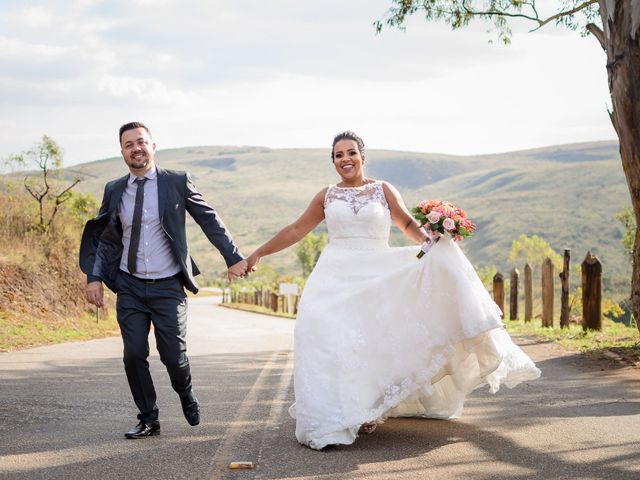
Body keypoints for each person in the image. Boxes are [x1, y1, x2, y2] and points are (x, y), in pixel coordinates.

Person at [245, 131, 540, 450]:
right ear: (333, 161)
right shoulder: (326, 196)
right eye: (338, 155)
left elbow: (408, 225)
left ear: (362, 156)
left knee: (372, 341)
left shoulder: (382, 189)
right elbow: (296, 229)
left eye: (351, 152)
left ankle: (367, 407)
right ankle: (332, 412)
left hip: (377, 273)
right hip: (333, 275)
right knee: (317, 332)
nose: (345, 159)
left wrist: (436, 240)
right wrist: (258, 252)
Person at [79, 122, 247, 439]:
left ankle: (185, 393)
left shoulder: (176, 182)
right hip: (129, 285)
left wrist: (233, 256)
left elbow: (208, 218)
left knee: (173, 355)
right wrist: (94, 277)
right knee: (133, 354)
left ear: (153, 146)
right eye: (128, 144)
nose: (136, 148)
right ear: (122, 151)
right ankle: (148, 418)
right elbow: (104, 237)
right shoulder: (114, 189)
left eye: (141, 142)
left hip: (169, 285)